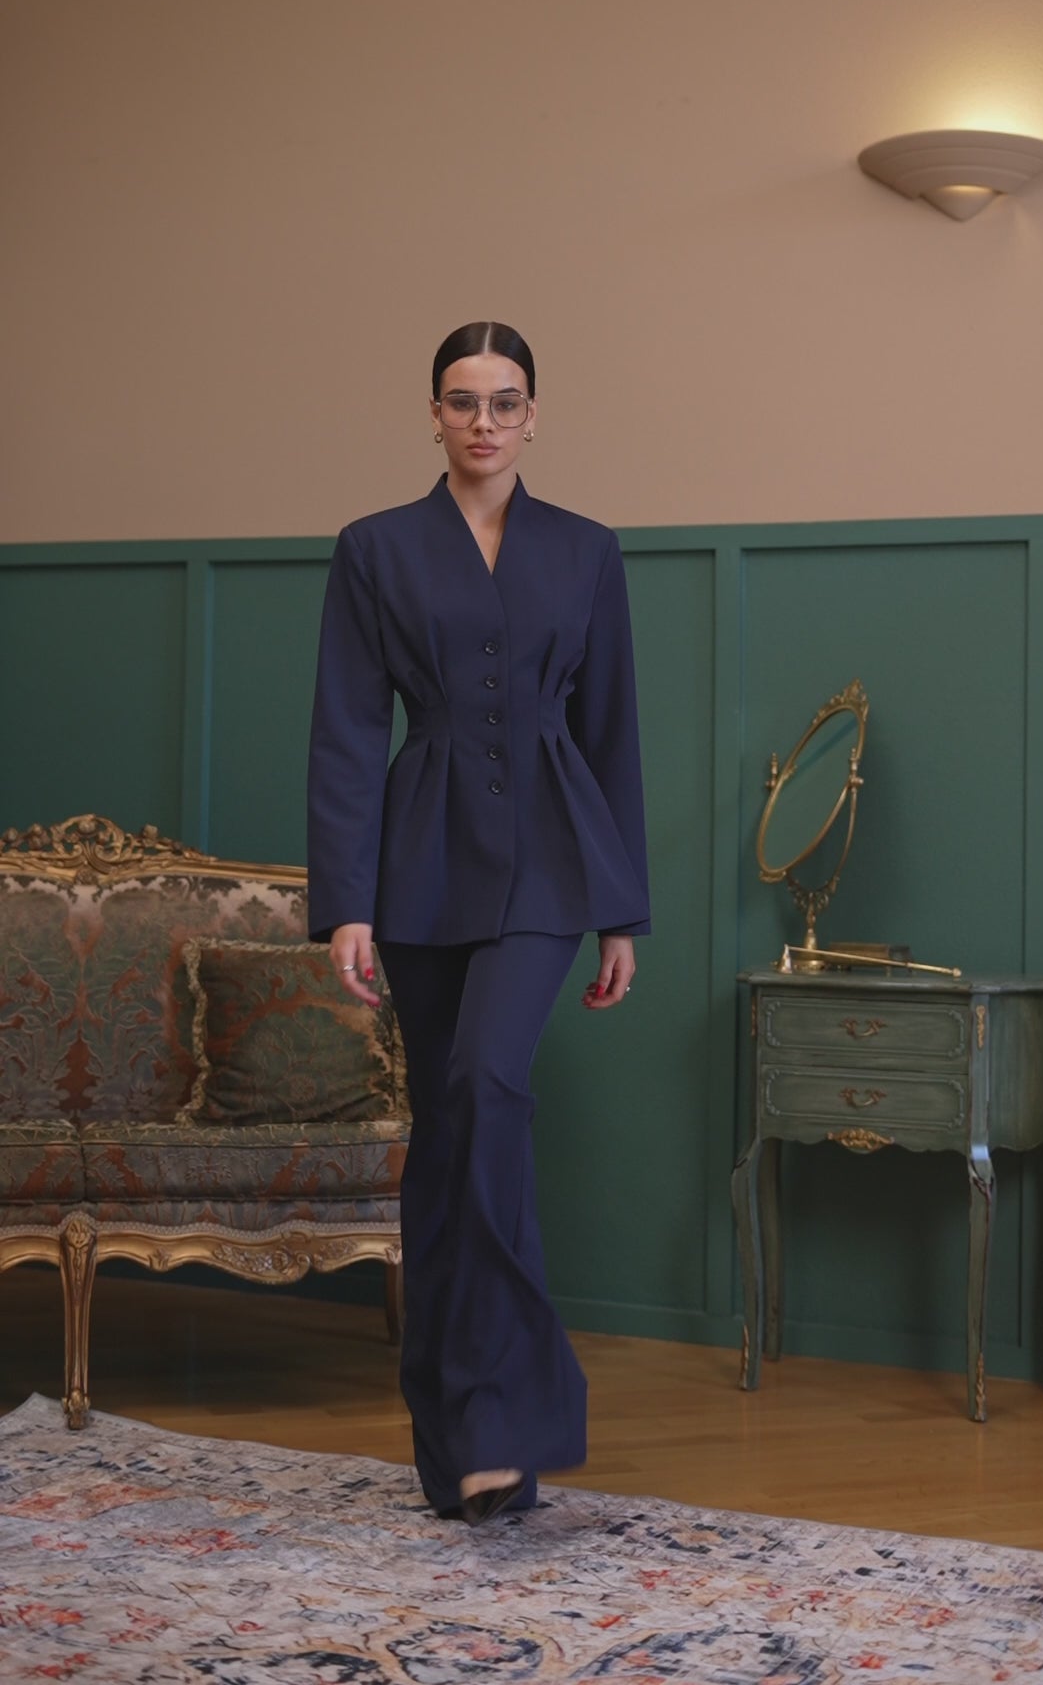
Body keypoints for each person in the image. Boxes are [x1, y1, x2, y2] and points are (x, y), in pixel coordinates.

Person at [307, 320, 650, 1526]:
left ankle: (506, 1412)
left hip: (554, 861)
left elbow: (611, 731)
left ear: (534, 416)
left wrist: (621, 911)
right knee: (447, 1125)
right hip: (420, 864)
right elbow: (349, 730)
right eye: (464, 400)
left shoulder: (587, 550)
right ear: (435, 415)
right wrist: (346, 902)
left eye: (507, 401)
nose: (485, 421)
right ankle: (458, 1443)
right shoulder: (375, 548)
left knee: (487, 1084)